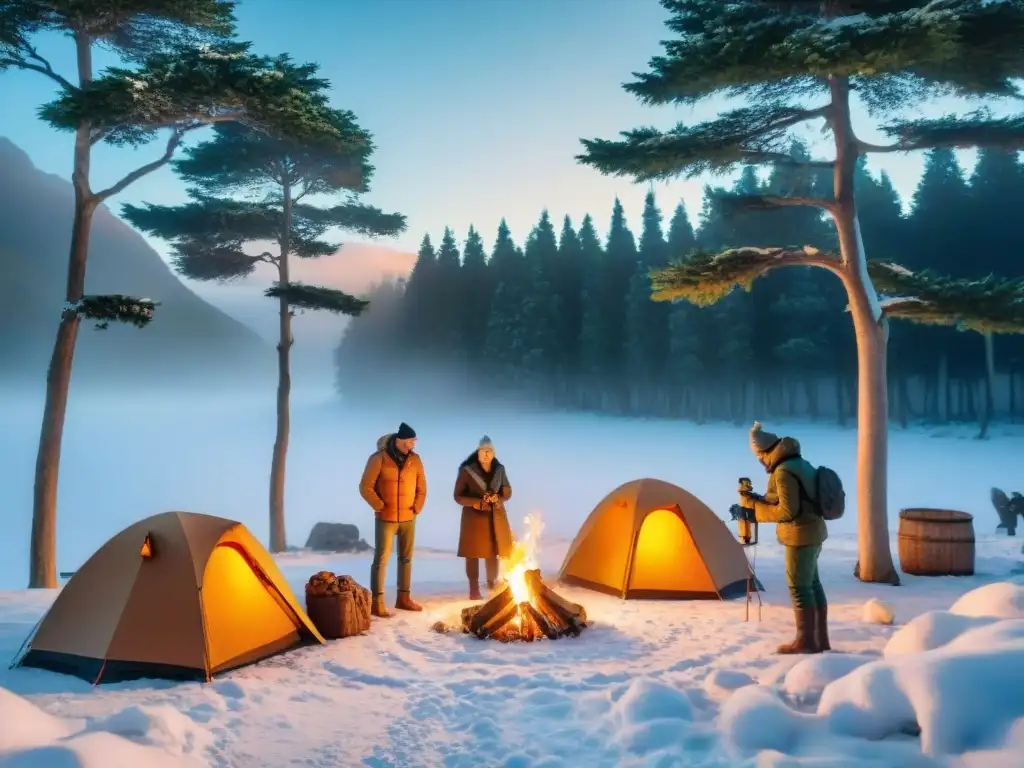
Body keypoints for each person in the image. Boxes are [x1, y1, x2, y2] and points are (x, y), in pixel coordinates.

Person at [738, 422, 829, 654]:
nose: (759, 461)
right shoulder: (797, 463)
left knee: (799, 587)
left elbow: (788, 510)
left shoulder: (783, 471)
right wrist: (757, 499)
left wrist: (755, 512)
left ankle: (806, 641)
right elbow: (787, 498)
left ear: (766, 451)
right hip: (813, 531)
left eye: (759, 455)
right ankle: (819, 640)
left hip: (800, 534)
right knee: (812, 585)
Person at [359, 422, 427, 618]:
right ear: (401, 441)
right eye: (412, 440)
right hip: (386, 518)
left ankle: (403, 599)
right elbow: (365, 487)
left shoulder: (415, 460)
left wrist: (417, 507)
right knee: (381, 560)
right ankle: (377, 603)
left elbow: (422, 487)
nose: (415, 443)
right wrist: (380, 506)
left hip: (409, 517)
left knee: (406, 558)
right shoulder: (378, 459)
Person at [453, 436, 513, 600]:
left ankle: (492, 583)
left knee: (493, 552)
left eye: (489, 451)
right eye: (483, 451)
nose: (486, 454)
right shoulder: (467, 471)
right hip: (474, 519)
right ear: (478, 452)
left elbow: (507, 491)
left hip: (495, 518)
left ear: (493, 453)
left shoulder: (499, 470)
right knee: (473, 553)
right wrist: (476, 503)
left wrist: (498, 497)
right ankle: (473, 588)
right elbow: (458, 496)